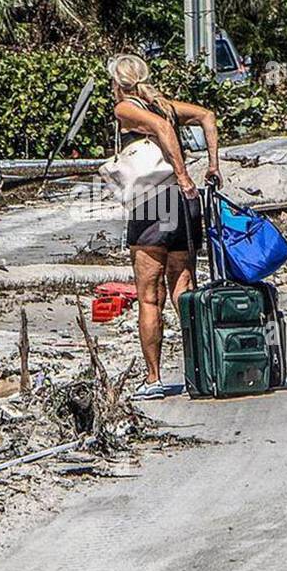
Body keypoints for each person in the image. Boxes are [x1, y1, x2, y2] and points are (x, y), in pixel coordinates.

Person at [111, 53, 220, 401]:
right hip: (182, 202)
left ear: (118, 82)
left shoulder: (125, 110)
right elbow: (207, 116)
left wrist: (183, 173)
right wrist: (212, 165)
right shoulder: (164, 105)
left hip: (152, 201)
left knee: (149, 295)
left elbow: (162, 129)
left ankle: (154, 377)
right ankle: (200, 369)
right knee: (183, 288)